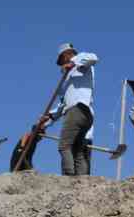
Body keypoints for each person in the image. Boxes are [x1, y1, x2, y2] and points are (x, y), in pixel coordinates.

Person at [39, 43, 99, 177]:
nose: (61, 65)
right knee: (77, 150)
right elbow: (62, 106)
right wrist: (47, 121)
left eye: (61, 61)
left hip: (77, 110)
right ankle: (82, 180)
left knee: (64, 146)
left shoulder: (81, 62)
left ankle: (68, 178)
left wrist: (73, 62)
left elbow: (94, 58)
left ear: (66, 55)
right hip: (79, 112)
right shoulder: (67, 79)